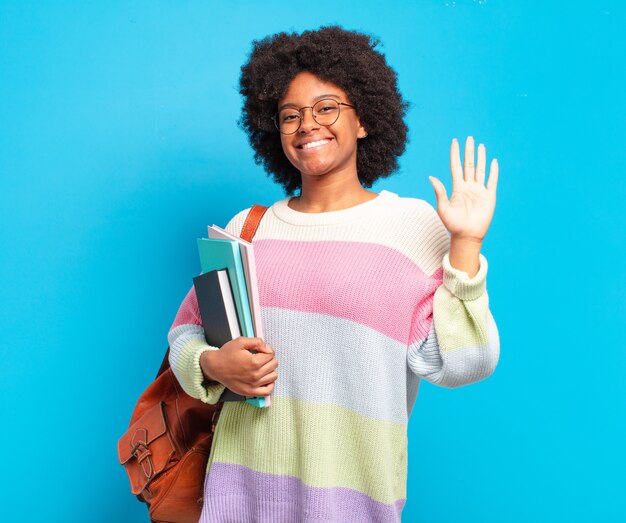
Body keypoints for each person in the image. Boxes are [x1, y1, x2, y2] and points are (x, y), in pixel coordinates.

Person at [168, 26, 500, 523]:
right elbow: (186, 334)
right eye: (290, 115)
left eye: (326, 108)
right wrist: (215, 366)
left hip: (353, 503)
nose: (307, 125)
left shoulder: (413, 229)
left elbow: (463, 364)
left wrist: (467, 245)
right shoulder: (246, 228)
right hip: (239, 497)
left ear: (363, 120)